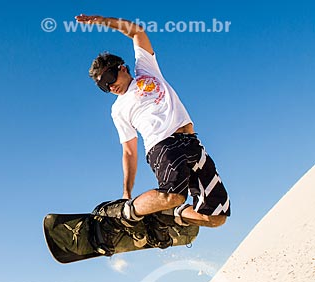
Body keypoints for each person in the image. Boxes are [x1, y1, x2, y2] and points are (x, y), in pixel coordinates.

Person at [75, 14, 230, 228]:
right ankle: (125, 213)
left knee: (217, 218)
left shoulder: (146, 69)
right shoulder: (118, 109)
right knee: (174, 194)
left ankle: (169, 215)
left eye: (109, 79)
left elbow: (137, 32)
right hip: (163, 146)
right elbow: (129, 151)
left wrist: (101, 20)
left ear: (121, 67)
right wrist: (126, 193)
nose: (110, 87)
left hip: (193, 143)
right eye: (104, 87)